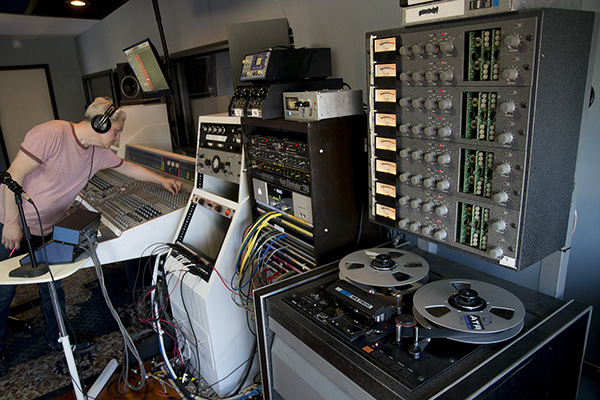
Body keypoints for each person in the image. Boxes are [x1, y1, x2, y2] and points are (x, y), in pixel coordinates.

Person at [0, 97, 183, 381]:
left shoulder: (96, 153)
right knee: (3, 293)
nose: (118, 137)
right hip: (11, 224)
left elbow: (126, 167)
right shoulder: (51, 133)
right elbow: (11, 177)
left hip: (45, 227)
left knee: (52, 285)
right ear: (101, 123)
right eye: (117, 130)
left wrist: (161, 180)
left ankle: (57, 338)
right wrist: (11, 222)